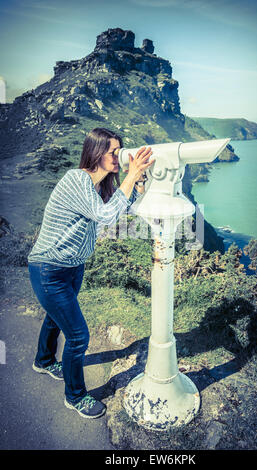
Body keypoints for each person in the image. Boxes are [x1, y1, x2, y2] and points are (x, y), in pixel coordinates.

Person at [27, 127, 154, 419]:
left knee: (55, 317)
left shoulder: (101, 188)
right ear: (96, 152)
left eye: (119, 151)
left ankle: (44, 361)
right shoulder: (77, 179)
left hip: (73, 267)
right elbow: (108, 216)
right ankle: (75, 397)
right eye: (113, 152)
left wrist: (137, 183)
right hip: (49, 268)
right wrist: (132, 174)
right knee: (78, 336)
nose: (118, 157)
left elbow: (121, 212)